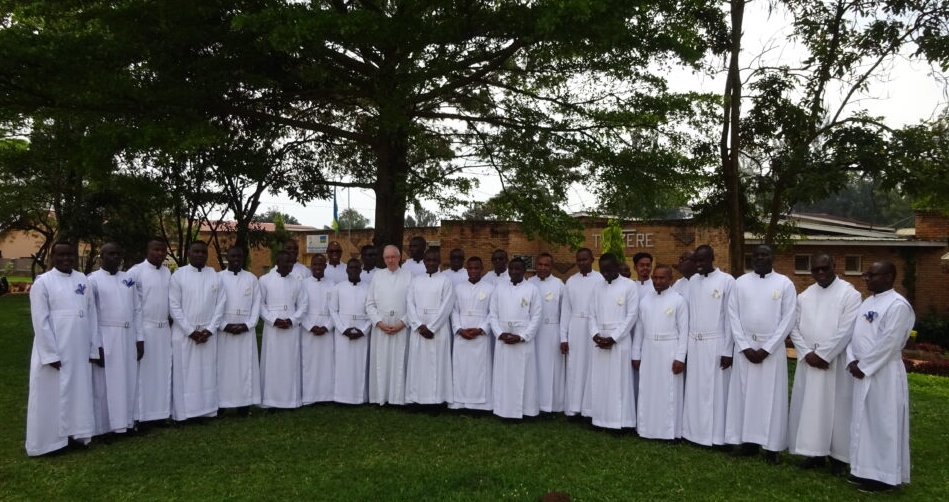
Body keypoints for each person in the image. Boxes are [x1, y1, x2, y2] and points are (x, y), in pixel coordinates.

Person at [787, 253, 861, 473]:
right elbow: (793, 327)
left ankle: (838, 457)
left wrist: (824, 354)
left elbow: (847, 329)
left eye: (825, 268)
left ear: (834, 266)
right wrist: (807, 352)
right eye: (816, 270)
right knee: (810, 407)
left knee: (838, 408)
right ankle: (813, 452)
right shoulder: (805, 296)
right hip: (809, 360)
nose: (820, 273)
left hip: (834, 361)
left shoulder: (850, 294)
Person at [26, 242, 101, 456]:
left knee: (77, 392)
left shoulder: (82, 280)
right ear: (53, 257)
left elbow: (92, 315)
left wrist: (93, 348)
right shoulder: (43, 283)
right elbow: (40, 321)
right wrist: (49, 353)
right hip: (55, 348)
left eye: (70, 255)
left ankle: (74, 434)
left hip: (78, 348)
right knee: (51, 393)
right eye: (61, 255)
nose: (66, 258)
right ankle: (48, 442)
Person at [845, 261, 914, 492]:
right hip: (862, 370)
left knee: (883, 423)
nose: (867, 278)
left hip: (883, 374)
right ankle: (864, 470)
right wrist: (851, 359)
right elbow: (855, 335)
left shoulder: (898, 305)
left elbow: (890, 343)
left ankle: (884, 477)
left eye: (872, 275)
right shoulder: (869, 302)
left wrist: (864, 365)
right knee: (863, 422)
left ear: (889, 276)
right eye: (866, 274)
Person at [726, 244, 796, 464]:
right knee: (744, 396)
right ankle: (748, 442)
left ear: (772, 257)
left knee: (771, 398)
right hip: (745, 349)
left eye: (764, 255)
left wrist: (767, 348)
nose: (760, 258)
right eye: (756, 255)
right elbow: (732, 315)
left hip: (771, 351)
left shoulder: (785, 283)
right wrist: (744, 346)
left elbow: (789, 318)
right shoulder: (740, 283)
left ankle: (772, 447)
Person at [681, 245, 735, 448]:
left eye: (702, 260)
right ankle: (694, 434)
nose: (699, 265)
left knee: (717, 392)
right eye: (696, 261)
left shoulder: (726, 281)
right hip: (695, 343)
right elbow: (689, 313)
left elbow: (730, 318)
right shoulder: (693, 281)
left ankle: (718, 437)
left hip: (716, 343)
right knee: (695, 390)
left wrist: (727, 350)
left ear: (713, 258)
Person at [89, 242, 143, 435]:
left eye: (118, 254)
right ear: (101, 256)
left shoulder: (127, 278)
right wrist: (97, 346)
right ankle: (104, 427)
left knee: (129, 379)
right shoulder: (92, 280)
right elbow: (92, 315)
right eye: (110, 254)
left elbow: (137, 309)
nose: (115, 257)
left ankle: (128, 422)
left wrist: (140, 338)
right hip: (107, 335)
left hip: (128, 336)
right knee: (106, 383)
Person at [169, 240, 226, 421]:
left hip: (208, 334)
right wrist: (190, 331)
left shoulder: (215, 276)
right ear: (189, 254)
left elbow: (221, 305)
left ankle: (206, 410)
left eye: (203, 252)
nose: (200, 255)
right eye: (196, 252)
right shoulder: (178, 276)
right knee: (185, 374)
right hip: (185, 334)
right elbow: (174, 306)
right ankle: (185, 414)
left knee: (207, 372)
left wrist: (209, 330)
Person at [633, 265, 689, 439]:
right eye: (655, 277)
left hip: (669, 350)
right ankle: (646, 429)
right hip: (649, 350)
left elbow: (684, 331)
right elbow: (639, 330)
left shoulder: (679, 300)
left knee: (669, 390)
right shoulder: (645, 300)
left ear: (670, 279)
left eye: (662, 278)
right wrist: (636, 354)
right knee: (648, 389)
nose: (657, 281)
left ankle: (670, 432)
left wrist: (680, 357)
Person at [587, 253, 638, 430]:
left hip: (620, 341)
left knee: (619, 382)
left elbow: (632, 315)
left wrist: (614, 337)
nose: (606, 274)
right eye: (602, 271)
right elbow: (591, 313)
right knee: (601, 380)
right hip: (600, 339)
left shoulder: (629, 286)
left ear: (617, 267)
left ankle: (621, 422)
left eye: (609, 270)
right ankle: (600, 419)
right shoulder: (597, 287)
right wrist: (595, 334)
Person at [127, 238, 173, 424]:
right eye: (156, 249)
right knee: (144, 374)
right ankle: (141, 416)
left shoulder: (167, 273)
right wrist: (138, 337)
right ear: (148, 250)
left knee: (163, 372)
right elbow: (131, 305)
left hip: (164, 329)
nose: (160, 253)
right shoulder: (135, 272)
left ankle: (161, 413)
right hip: (145, 328)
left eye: (163, 250)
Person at [489, 258, 541, 419]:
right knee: (504, 375)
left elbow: (536, 316)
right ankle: (503, 409)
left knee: (524, 375)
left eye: (518, 269)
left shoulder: (532, 289)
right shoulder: (499, 288)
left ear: (524, 271)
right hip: (503, 338)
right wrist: (499, 333)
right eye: (511, 269)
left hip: (522, 339)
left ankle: (525, 410)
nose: (514, 272)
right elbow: (493, 314)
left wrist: (523, 336)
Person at [405, 249, 455, 405]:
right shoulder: (416, 281)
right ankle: (416, 398)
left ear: (439, 262)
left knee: (437, 365)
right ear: (424, 262)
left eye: (435, 260)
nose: (431, 263)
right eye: (428, 260)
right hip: (419, 329)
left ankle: (437, 400)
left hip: (438, 329)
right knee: (417, 364)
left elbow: (447, 306)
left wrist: (432, 327)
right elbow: (410, 304)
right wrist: (419, 326)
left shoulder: (446, 281)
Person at [258, 250, 307, 409]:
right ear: (277, 262)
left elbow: (303, 305)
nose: (290, 266)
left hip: (291, 326)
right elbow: (260, 305)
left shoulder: (297, 282)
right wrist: (273, 320)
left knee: (290, 361)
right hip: (273, 328)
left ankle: (290, 400)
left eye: (291, 263)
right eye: (286, 263)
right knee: (272, 362)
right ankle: (271, 400)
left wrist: (292, 320)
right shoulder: (265, 280)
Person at [216, 246, 261, 413]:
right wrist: (223, 325)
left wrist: (248, 324)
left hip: (245, 328)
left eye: (239, 256)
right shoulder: (218, 278)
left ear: (243, 258)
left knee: (245, 366)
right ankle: (222, 404)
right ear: (227, 256)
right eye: (233, 255)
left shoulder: (251, 279)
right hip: (224, 328)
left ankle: (243, 404)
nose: (236, 259)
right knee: (223, 367)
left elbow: (257, 304)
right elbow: (214, 305)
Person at [366, 244, 413, 405]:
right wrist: (379, 323)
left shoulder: (408, 276)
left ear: (399, 257)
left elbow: (413, 304)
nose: (390, 260)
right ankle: (380, 397)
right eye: (387, 257)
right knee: (382, 361)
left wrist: (403, 323)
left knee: (399, 361)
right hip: (381, 327)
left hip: (401, 326)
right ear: (383, 259)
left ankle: (398, 398)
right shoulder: (377, 276)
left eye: (393, 257)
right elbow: (370, 304)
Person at [560, 248, 601, 418]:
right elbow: (565, 311)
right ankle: (574, 407)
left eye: (585, 259)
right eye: (579, 260)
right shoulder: (570, 281)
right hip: (575, 326)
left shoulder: (600, 279)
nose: (582, 263)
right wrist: (564, 337)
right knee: (575, 366)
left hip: (593, 327)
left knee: (592, 366)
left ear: (592, 259)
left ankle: (590, 408)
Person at [450, 256, 495, 411]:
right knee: (461, 368)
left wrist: (481, 328)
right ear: (466, 269)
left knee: (479, 370)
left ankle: (480, 405)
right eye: (471, 268)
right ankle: (460, 402)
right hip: (462, 333)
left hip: (480, 335)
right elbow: (454, 311)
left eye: (477, 268)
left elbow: (493, 313)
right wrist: (459, 329)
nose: (474, 271)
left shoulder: (490, 288)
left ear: (482, 269)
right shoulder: (458, 288)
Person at [528, 252, 565, 414]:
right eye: (540, 264)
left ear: (552, 266)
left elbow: (565, 312)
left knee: (552, 368)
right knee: (534, 367)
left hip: (552, 331)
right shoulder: (529, 283)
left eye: (546, 265)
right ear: (536, 265)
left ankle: (552, 406)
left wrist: (564, 336)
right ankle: (533, 403)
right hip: (532, 332)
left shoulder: (559, 285)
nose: (542, 268)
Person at [331, 258, 372, 404]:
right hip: (343, 330)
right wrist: (343, 329)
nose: (354, 270)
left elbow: (372, 312)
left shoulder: (368, 288)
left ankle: (361, 397)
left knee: (361, 363)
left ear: (361, 269)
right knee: (343, 364)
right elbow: (333, 310)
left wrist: (363, 330)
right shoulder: (338, 288)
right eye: (351, 268)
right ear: (346, 270)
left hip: (362, 329)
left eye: (356, 267)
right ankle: (342, 396)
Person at [302, 254, 336, 405]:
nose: (317, 268)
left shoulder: (333, 285)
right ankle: (309, 396)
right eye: (314, 265)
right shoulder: (303, 284)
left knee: (326, 362)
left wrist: (327, 326)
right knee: (309, 362)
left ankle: (326, 395)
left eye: (320, 265)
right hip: (308, 327)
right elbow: (300, 308)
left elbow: (335, 309)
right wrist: (310, 326)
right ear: (310, 266)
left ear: (325, 266)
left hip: (326, 327)